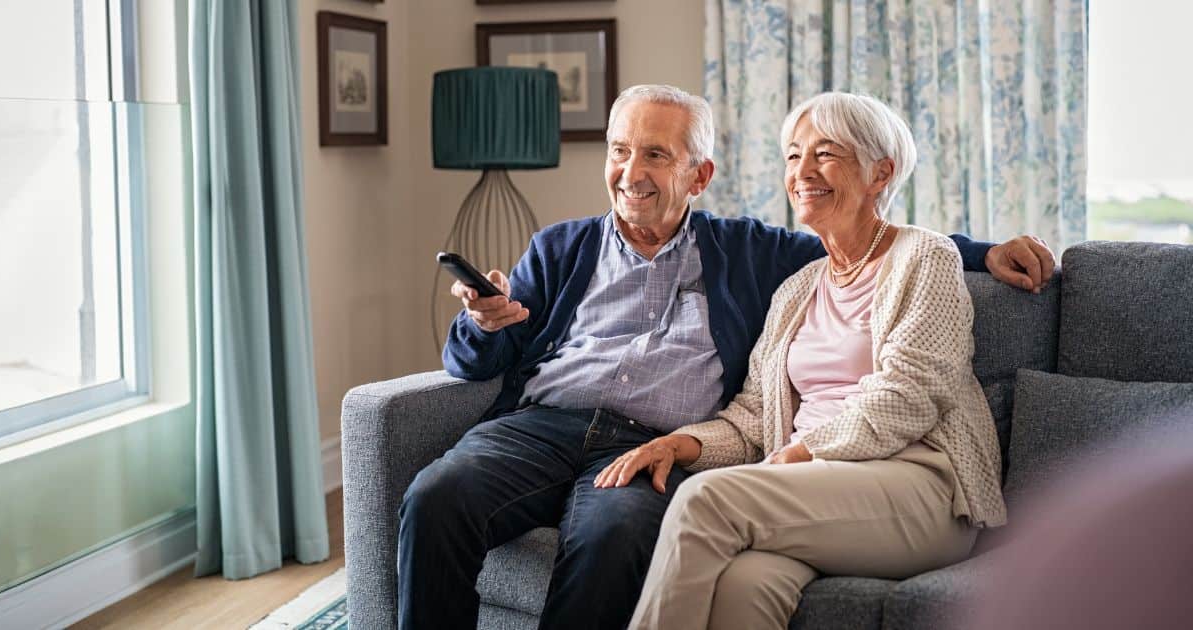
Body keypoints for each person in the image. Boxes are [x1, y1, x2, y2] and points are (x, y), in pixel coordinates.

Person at [398, 85, 1050, 630]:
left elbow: (886, 246)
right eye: (621, 151)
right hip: (544, 425)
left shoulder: (758, 253)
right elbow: (473, 360)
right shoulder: (562, 248)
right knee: (437, 495)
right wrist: (481, 323)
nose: (631, 172)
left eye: (655, 154)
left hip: (669, 440)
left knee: (620, 534)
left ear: (699, 175)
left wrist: (985, 253)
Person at [606, 92, 1007, 630]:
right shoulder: (797, 289)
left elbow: (910, 396)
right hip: (815, 489)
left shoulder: (925, 257)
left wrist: (802, 452)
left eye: (826, 153)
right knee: (744, 586)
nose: (803, 171)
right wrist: (679, 444)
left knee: (706, 501)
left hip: (919, 489)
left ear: (879, 173)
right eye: (794, 156)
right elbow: (753, 417)